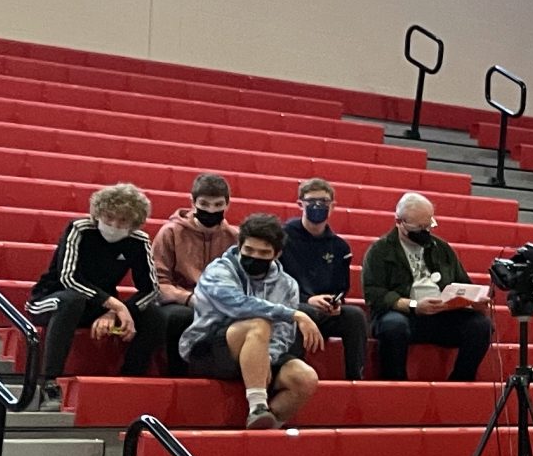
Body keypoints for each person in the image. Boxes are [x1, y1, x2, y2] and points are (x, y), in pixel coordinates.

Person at [26, 183, 171, 400]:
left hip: (98, 306)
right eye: (109, 217)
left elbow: (150, 289)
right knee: (72, 301)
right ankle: (49, 380)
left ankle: (130, 379)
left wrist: (113, 312)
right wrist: (116, 305)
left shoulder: (139, 241)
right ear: (98, 214)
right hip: (51, 299)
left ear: (133, 224)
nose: (114, 225)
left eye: (123, 221)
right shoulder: (79, 229)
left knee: (155, 314)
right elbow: (69, 278)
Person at [178, 212, 323, 428]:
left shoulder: (288, 285)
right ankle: (258, 406)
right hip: (210, 348)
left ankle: (265, 430)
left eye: (263, 253)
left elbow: (284, 334)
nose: (255, 256)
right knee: (259, 323)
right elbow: (238, 304)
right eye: (249, 250)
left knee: (305, 378)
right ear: (239, 246)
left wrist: (265, 359)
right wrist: (293, 313)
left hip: (262, 352)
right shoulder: (219, 270)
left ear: (277, 254)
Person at [362, 192, 494, 382]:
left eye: (429, 225)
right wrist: (414, 305)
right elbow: (375, 294)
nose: (426, 231)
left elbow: (463, 283)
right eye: (419, 227)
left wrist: (473, 301)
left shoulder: (441, 248)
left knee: (481, 326)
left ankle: (460, 381)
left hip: (441, 314)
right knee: (394, 327)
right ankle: (396, 383)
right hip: (403, 314)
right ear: (399, 222)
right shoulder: (380, 251)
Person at [278, 179, 369, 381]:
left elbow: (342, 287)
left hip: (324, 311)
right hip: (291, 307)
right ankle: (291, 376)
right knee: (306, 311)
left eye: (324, 201)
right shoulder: (282, 239)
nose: (318, 206)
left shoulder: (340, 247)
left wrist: (335, 303)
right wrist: (307, 299)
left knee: (355, 316)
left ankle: (356, 379)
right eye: (311, 201)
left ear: (333, 206)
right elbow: (275, 282)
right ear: (300, 204)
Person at [149, 173, 238, 370]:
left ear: (227, 204)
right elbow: (158, 282)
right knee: (181, 316)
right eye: (204, 204)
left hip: (220, 302)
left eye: (218, 205)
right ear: (193, 202)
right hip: (178, 301)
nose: (211, 210)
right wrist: (189, 298)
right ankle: (179, 375)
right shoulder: (170, 232)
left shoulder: (235, 238)